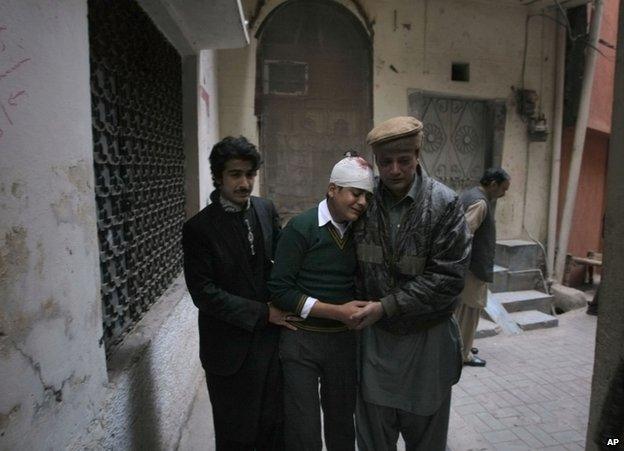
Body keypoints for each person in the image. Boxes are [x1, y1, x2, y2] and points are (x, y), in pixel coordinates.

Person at [350, 116, 471, 451]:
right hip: (375, 345)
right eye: (385, 162)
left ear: (418, 154)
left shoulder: (445, 204)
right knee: (374, 438)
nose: (394, 170)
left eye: (404, 160)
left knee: (427, 440)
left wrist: (386, 306)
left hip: (427, 346)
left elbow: (448, 279)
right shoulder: (362, 200)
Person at [182, 136, 298, 451]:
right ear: (218, 177)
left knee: (275, 429)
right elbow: (204, 293)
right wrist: (264, 313)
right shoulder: (199, 229)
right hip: (229, 351)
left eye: (250, 174)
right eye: (235, 174)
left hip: (270, 346)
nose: (245, 182)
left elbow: (280, 263)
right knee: (237, 435)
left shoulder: (264, 209)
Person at [268, 153, 375, 451]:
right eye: (355, 193)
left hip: (343, 344)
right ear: (332, 189)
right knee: (304, 430)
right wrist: (335, 312)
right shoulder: (300, 228)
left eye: (367, 196)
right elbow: (280, 289)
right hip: (300, 342)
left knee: (342, 424)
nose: (362, 202)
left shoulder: (363, 231)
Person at [456, 167, 511, 367]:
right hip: (472, 269)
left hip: (469, 267)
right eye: (503, 189)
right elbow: (463, 234)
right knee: (470, 311)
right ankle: (463, 353)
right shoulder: (480, 202)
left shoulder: (472, 195)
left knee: (464, 311)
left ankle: (464, 345)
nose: (504, 194)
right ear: (493, 184)